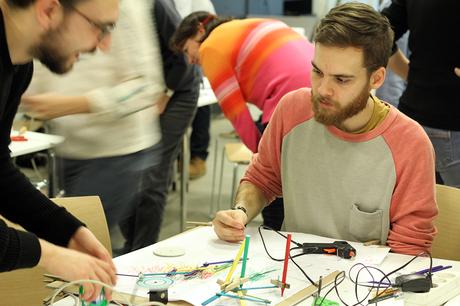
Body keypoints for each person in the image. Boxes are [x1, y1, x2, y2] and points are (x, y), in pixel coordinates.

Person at [212, 2, 438, 255]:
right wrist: (240, 213)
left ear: (376, 79)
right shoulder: (292, 109)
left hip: (363, 285)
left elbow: (409, 250)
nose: (322, 90)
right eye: (317, 71)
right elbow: (262, 179)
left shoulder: (409, 144)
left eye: (342, 79)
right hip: (291, 274)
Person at [22, 0, 165, 256]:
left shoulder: (123, 8)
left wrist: (75, 104)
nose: (102, 45)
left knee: (77, 250)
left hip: (116, 151)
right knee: (65, 246)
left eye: (106, 29)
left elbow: (147, 86)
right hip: (68, 145)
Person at [0, 0, 118, 302]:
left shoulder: (18, 65)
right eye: (101, 28)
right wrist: (49, 255)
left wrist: (66, 231)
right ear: (48, 10)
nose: (103, 45)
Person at [171, 12, 314, 230]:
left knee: (272, 189)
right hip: (321, 86)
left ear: (200, 30)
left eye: (187, 50)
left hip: (290, 98)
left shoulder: (210, 46)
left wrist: (263, 158)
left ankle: (275, 235)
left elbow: (239, 117)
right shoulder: (246, 25)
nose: (190, 60)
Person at [118, 0, 200, 251]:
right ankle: (131, 243)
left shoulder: (156, 5)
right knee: (125, 172)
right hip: (145, 92)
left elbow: (182, 52)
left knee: (153, 176)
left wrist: (166, 91)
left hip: (178, 89)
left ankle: (140, 251)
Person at [381, 0, 460, 188]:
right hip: (450, 122)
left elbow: (379, 30)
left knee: (415, 206)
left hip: (412, 117)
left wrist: (412, 74)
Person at [172, 0, 216, 180]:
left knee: (200, 102)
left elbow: (179, 21)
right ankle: (181, 158)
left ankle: (198, 157)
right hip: (190, 40)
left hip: (197, 41)